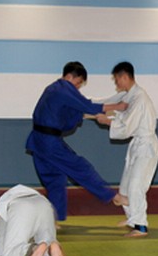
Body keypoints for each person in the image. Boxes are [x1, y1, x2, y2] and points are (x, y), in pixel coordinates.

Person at [25, 62, 124, 222]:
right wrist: (119, 106)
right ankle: (112, 196)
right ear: (70, 76)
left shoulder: (53, 89)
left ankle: (54, 218)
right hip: (49, 142)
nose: (77, 87)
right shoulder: (64, 89)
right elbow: (86, 106)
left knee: (55, 178)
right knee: (80, 167)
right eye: (78, 83)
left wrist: (91, 114)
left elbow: (71, 112)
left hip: (38, 140)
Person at [96, 62, 158, 237]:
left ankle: (141, 226)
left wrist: (107, 121)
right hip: (137, 145)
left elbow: (127, 126)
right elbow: (107, 103)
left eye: (117, 79)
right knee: (125, 188)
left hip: (146, 147)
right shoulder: (128, 96)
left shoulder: (139, 98)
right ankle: (132, 218)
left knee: (135, 186)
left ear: (124, 77)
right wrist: (83, 104)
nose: (116, 83)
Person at [0, 185, 65, 256]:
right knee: (47, 240)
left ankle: (32, 249)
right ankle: (49, 249)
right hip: (44, 203)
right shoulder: (13, 197)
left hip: (20, 206)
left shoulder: (5, 204)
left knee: (5, 253)